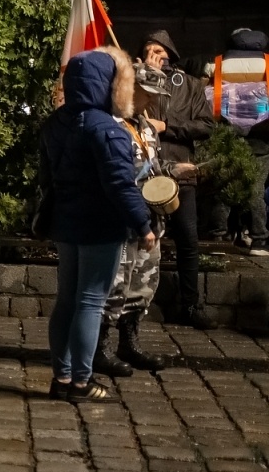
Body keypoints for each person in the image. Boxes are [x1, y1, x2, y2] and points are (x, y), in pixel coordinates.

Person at [40, 47, 153, 402]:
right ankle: (80, 383)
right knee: (90, 302)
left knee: (67, 301)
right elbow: (121, 184)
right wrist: (143, 225)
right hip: (100, 225)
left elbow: (46, 178)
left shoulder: (55, 124)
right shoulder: (107, 129)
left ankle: (61, 377)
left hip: (66, 223)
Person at [96, 63, 186, 377]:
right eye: (146, 94)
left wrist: (177, 171)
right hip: (121, 220)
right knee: (115, 283)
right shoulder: (110, 125)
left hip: (151, 220)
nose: (151, 101)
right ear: (128, 90)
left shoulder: (145, 127)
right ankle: (98, 348)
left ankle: (129, 342)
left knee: (144, 283)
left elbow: (155, 166)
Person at [137, 30, 215, 328]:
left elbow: (205, 125)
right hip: (147, 172)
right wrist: (145, 73)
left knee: (187, 240)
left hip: (179, 175)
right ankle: (135, 306)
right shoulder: (140, 79)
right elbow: (126, 108)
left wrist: (166, 126)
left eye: (159, 50)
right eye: (148, 50)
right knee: (142, 238)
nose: (154, 55)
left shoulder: (190, 86)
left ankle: (190, 306)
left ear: (171, 53)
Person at [205, 28, 269, 253]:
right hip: (260, 140)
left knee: (223, 189)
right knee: (256, 191)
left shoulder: (220, 64)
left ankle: (218, 238)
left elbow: (208, 93)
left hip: (228, 138)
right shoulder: (266, 64)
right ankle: (259, 239)